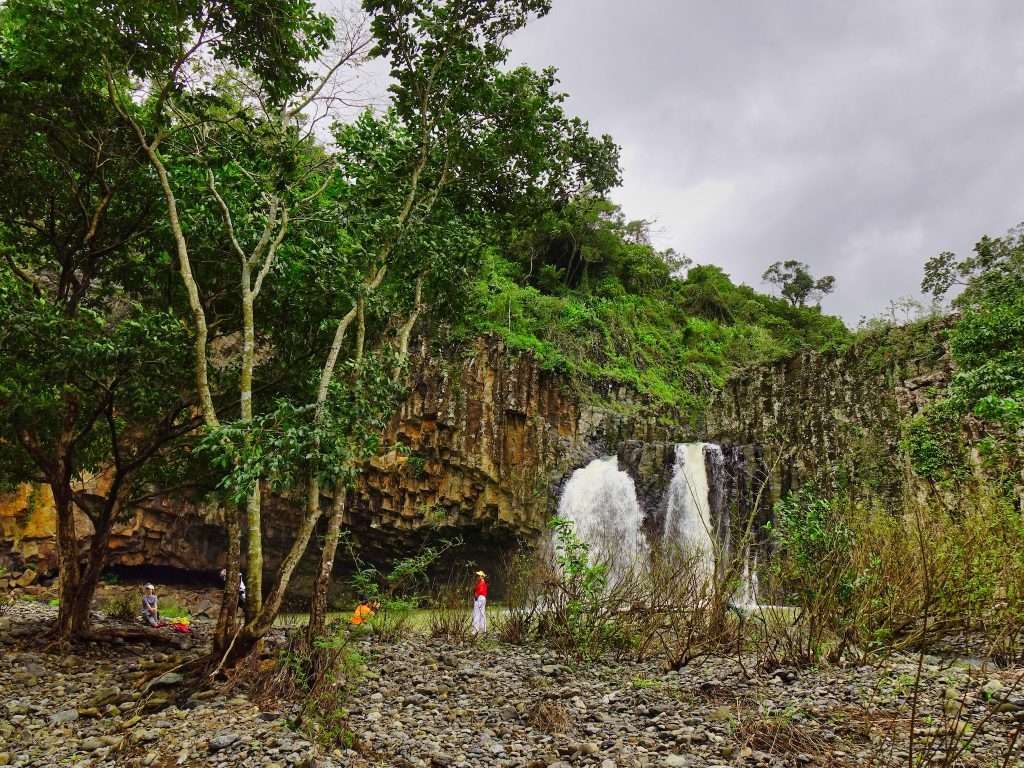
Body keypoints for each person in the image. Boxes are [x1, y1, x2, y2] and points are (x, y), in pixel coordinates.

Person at [472, 570, 488, 634]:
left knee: (477, 613)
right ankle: (483, 629)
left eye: (478, 576)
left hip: (479, 598)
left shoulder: (481, 583)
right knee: (482, 614)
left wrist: (476, 596)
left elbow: (480, 591)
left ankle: (475, 630)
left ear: (481, 577)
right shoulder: (482, 583)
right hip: (482, 598)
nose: (477, 577)